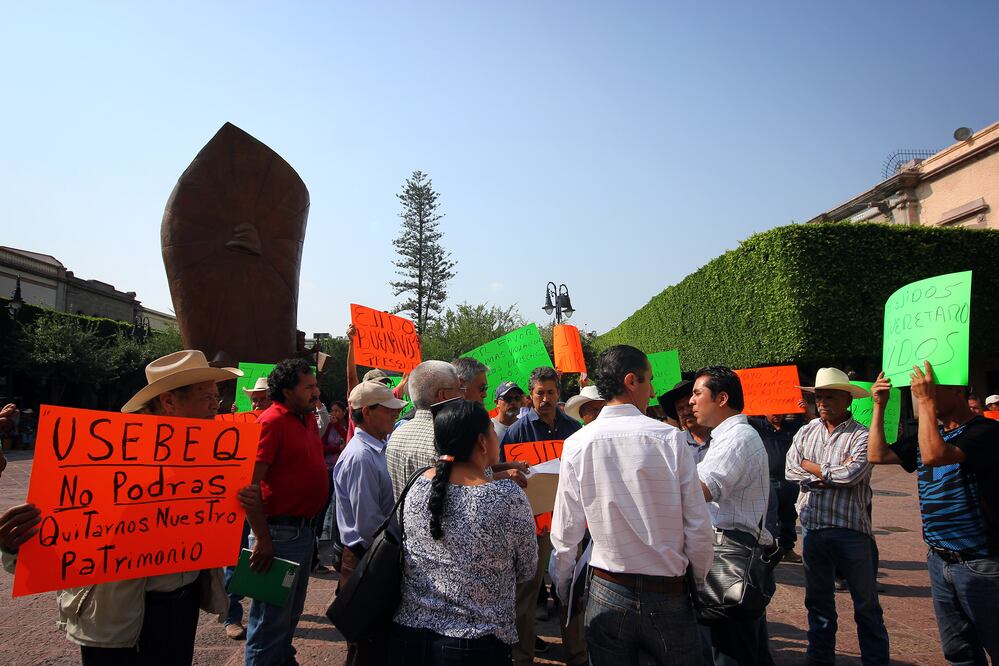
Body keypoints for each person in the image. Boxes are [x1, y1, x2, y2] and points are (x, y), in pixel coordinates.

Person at [1, 350, 254, 665]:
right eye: (206, 397)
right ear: (169, 401)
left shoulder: (213, 458)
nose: (216, 405)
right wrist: (14, 546)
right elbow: (56, 533)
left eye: (216, 396)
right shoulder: (106, 451)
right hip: (113, 616)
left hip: (180, 607)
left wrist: (240, 505)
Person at [551, 345, 714, 665]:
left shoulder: (577, 444)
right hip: (668, 591)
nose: (653, 391)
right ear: (630, 381)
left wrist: (565, 586)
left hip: (607, 590)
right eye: (649, 381)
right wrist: (695, 582)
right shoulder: (669, 439)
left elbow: (566, 533)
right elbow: (698, 526)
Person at [868, 362, 999, 664]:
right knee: (958, 651)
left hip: (980, 562)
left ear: (957, 391)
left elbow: (935, 455)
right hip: (939, 560)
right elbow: (876, 454)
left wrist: (925, 402)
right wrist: (879, 406)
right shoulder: (929, 433)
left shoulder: (985, 431)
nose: (919, 394)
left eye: (929, 388)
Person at [389, 399, 538, 664]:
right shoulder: (507, 497)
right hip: (476, 643)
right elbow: (527, 568)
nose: (496, 437)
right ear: (482, 442)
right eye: (492, 432)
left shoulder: (416, 486)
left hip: (409, 636)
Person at [785, 368, 890, 665]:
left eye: (829, 396)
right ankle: (819, 660)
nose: (822, 402)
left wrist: (812, 467)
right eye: (818, 396)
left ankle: (876, 660)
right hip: (814, 529)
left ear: (847, 399)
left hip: (852, 531)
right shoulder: (806, 431)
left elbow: (851, 474)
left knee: (866, 605)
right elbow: (790, 470)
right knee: (818, 605)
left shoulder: (862, 435)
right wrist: (826, 471)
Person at [242, 358, 330, 666]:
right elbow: (249, 487)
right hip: (278, 535)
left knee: (288, 616)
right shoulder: (271, 422)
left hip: (303, 532)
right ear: (287, 391)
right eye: (309, 387)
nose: (316, 392)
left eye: (316, 385)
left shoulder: (304, 418)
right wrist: (262, 538)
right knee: (268, 625)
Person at [690, 365, 773, 666]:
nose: (691, 401)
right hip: (734, 552)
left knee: (730, 650)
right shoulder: (730, 436)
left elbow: (701, 489)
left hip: (730, 554)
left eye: (698, 393)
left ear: (722, 398)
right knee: (747, 646)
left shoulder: (737, 438)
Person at [501, 366, 585, 666]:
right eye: (540, 393)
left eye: (551, 392)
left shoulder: (575, 430)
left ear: (559, 393)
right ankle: (523, 656)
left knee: (571, 590)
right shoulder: (516, 433)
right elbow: (503, 479)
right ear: (530, 396)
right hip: (531, 527)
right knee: (527, 593)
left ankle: (577, 653)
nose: (546, 399)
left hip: (570, 523)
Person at [333, 379, 408, 665]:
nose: (395, 414)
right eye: (388, 409)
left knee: (373, 642)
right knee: (367, 646)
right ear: (366, 412)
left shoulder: (376, 447)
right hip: (368, 559)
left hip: (374, 557)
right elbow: (367, 526)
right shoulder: (361, 456)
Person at [386, 361, 465, 500]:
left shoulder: (395, 435)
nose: (463, 395)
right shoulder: (449, 439)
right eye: (459, 388)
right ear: (443, 395)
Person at [749, 412, 806, 563]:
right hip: (767, 480)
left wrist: (808, 411)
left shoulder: (793, 427)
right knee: (768, 517)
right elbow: (741, 419)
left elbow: (813, 426)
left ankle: (788, 548)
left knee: (789, 517)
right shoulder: (757, 426)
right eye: (773, 412)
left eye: (780, 412)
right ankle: (769, 548)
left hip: (789, 481)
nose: (777, 415)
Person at [659, 380, 711, 463]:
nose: (686, 412)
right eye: (680, 409)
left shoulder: (722, 436)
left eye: (690, 405)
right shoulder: (675, 444)